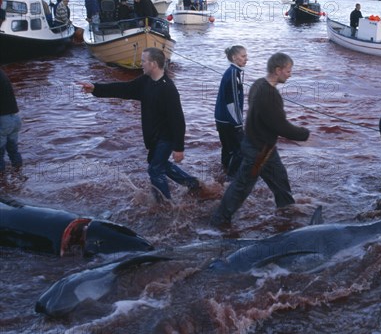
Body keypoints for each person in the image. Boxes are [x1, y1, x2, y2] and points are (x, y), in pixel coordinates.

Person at [80, 48, 200, 202]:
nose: (140, 64)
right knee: (158, 164)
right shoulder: (145, 82)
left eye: (143, 61)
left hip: (167, 137)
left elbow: (178, 120)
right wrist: (96, 88)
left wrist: (179, 148)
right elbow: (123, 89)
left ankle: (164, 204)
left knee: (155, 170)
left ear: (154, 64)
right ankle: (192, 183)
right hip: (154, 137)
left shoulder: (168, 89)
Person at [210, 52, 310, 227]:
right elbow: (281, 126)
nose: (290, 74)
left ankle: (286, 214)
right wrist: (305, 134)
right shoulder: (270, 95)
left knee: (280, 181)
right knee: (241, 187)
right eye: (288, 70)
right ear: (278, 70)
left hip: (265, 148)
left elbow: (266, 119)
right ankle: (219, 220)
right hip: (259, 150)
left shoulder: (258, 84)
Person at [214, 45, 247, 178]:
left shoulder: (233, 72)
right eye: (243, 56)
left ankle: (223, 175)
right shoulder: (233, 74)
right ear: (234, 57)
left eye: (246, 56)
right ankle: (231, 179)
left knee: (227, 149)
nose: (246, 59)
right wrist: (238, 124)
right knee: (241, 150)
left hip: (221, 118)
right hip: (228, 120)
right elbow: (232, 102)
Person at [0, 69, 23, 175]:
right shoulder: (2, 73)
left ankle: (3, 185)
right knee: (13, 151)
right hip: (15, 118)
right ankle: (19, 178)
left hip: (3, 120)